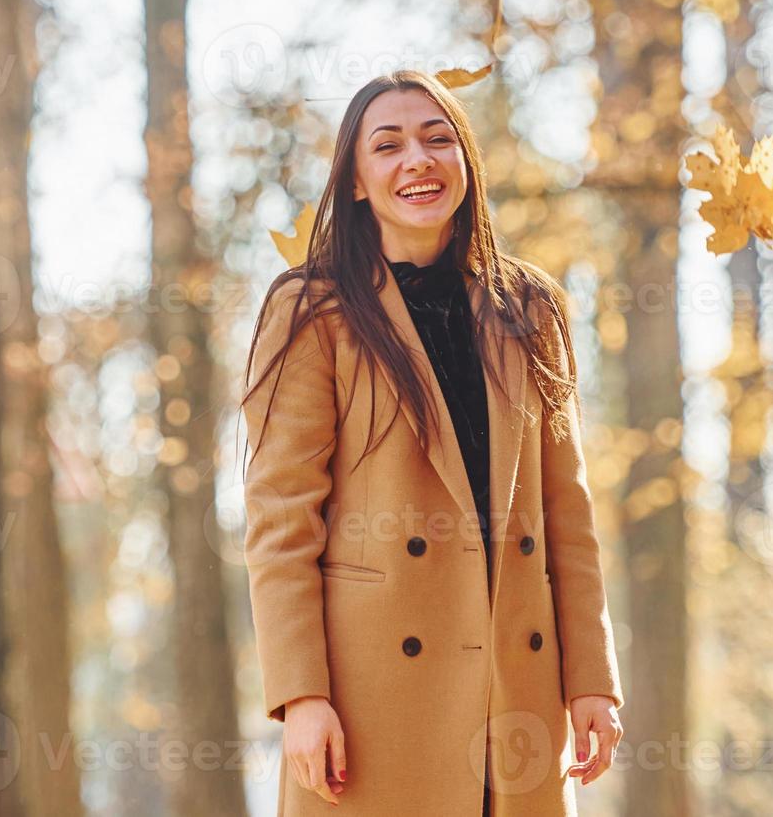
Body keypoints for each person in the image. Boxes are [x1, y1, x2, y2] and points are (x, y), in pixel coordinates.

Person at [240, 69, 624, 816]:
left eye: (436, 138)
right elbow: (282, 521)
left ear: (464, 163)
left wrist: (592, 682)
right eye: (387, 146)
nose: (416, 159)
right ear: (356, 181)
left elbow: (566, 514)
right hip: (371, 701)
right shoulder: (313, 310)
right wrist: (301, 695)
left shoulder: (530, 308)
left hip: (517, 687)